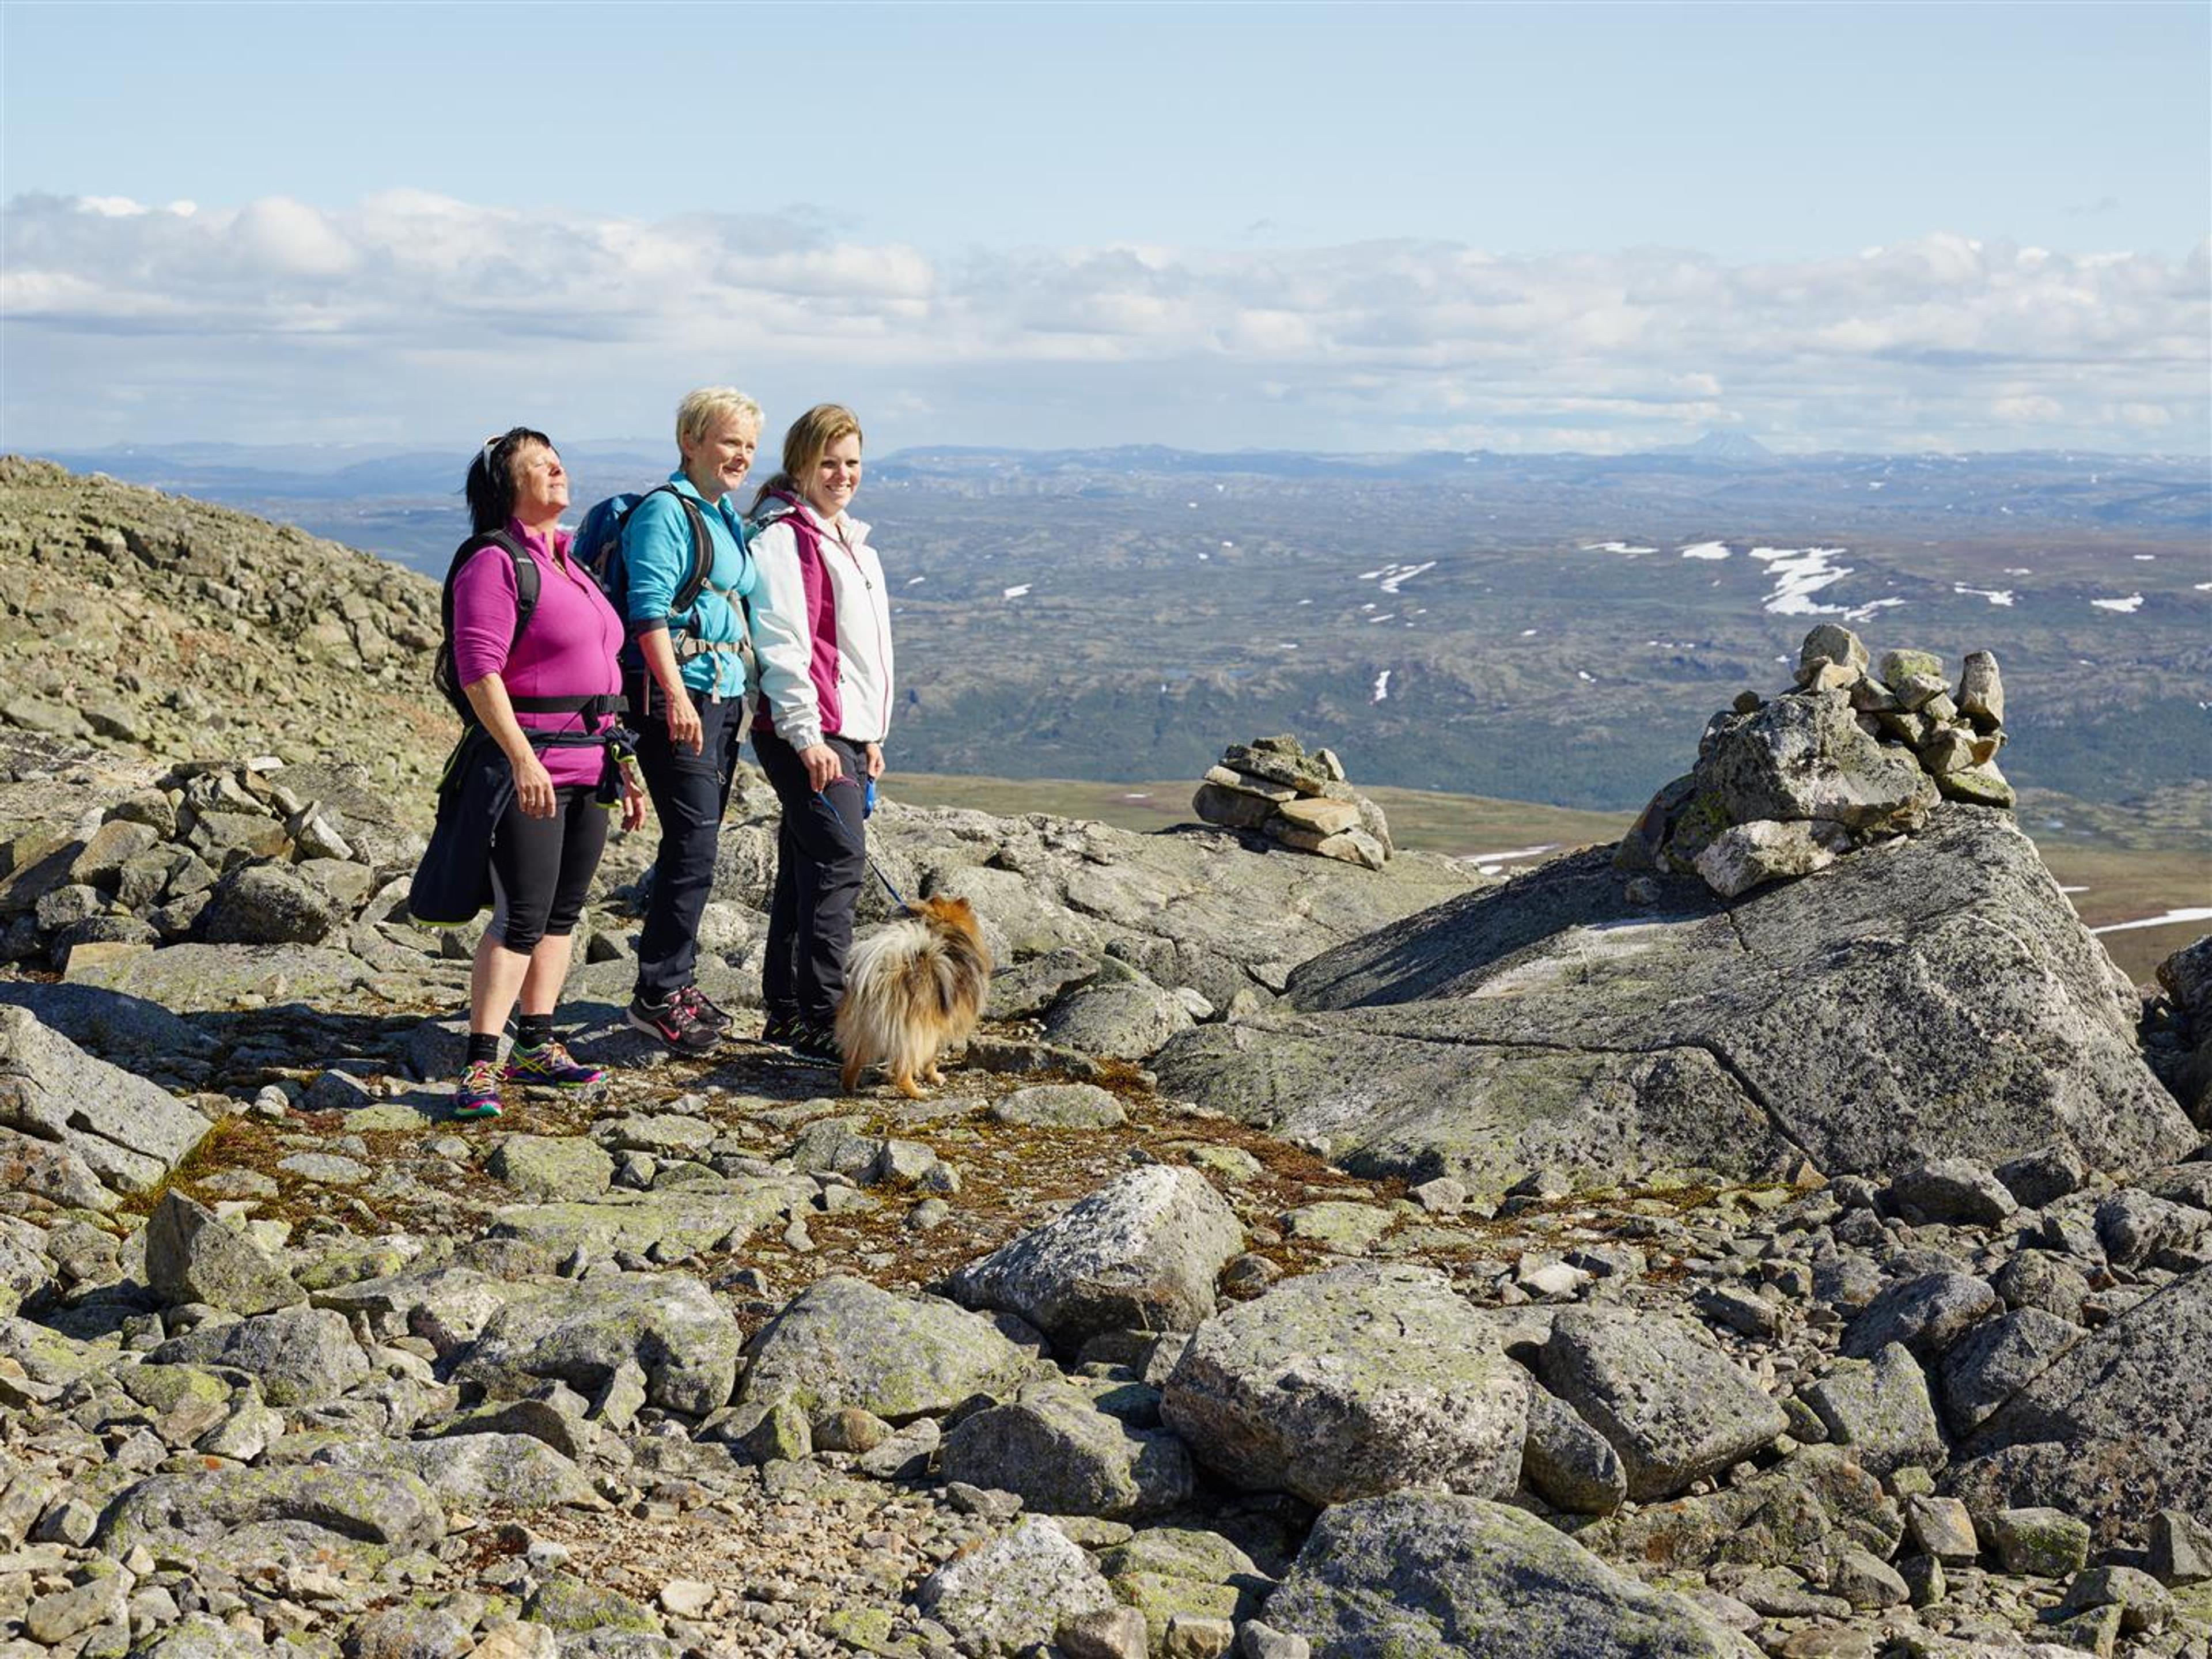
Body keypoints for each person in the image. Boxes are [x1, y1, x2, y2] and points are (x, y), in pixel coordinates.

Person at [448, 428, 645, 1119]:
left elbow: (601, 675)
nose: (556, 469)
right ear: (509, 489)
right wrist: (521, 758)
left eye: (555, 459)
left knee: (563, 912)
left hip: (591, 763)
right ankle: (480, 1062)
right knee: (523, 915)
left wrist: (623, 762)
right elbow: (479, 668)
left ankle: (536, 1043)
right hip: (530, 766)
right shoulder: (495, 563)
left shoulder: (571, 565)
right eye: (538, 464)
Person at [747, 404, 893, 1064]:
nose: (842, 475)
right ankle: (823, 1013)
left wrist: (867, 736)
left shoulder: (850, 541)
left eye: (852, 462)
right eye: (829, 462)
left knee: (811, 865)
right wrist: (807, 736)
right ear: (801, 465)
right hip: (806, 731)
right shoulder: (787, 539)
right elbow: (785, 645)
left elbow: (854, 654)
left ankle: (787, 1012)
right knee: (839, 862)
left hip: (841, 733)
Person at [622, 387, 764, 1052]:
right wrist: (675, 697)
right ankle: (656, 993)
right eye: (729, 441)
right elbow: (647, 609)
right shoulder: (666, 512)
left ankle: (673, 984)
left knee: (696, 845)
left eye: (748, 446)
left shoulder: (723, 514)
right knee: (693, 845)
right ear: (692, 441)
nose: (741, 455)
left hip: (723, 698)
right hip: (680, 699)